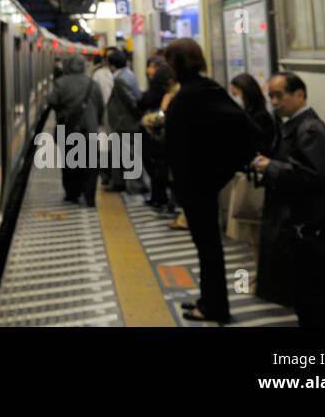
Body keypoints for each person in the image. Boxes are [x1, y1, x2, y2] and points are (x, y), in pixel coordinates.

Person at [163, 38, 257, 324]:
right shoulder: (208, 89)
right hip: (203, 182)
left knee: (208, 247)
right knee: (207, 246)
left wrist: (217, 171)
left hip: (196, 185)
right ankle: (209, 299)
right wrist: (221, 170)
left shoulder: (189, 96)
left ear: (176, 64)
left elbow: (245, 131)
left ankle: (216, 308)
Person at [251, 72, 325, 327]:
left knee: (313, 302)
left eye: (279, 95)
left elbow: (314, 176)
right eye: (270, 96)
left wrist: (270, 166)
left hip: (309, 227)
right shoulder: (294, 127)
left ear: (299, 95)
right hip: (298, 223)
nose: (274, 101)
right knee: (305, 300)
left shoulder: (309, 128)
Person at [223, 74, 275, 255]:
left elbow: (260, 146)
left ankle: (260, 275)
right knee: (253, 237)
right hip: (248, 175)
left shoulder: (260, 117)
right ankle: (258, 272)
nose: (236, 99)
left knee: (257, 233)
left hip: (257, 178)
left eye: (237, 94)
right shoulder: (251, 114)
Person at [45, 54, 105, 207]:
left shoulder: (61, 83)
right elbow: (100, 106)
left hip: (68, 129)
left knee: (70, 163)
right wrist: (95, 122)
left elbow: (51, 101)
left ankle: (72, 194)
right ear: (84, 67)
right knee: (90, 164)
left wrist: (62, 110)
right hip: (89, 130)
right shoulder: (93, 84)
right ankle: (90, 196)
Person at [101, 49, 142, 191]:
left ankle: (134, 185)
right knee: (123, 155)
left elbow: (131, 102)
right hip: (125, 122)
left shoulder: (120, 79)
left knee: (128, 155)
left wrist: (136, 117)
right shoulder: (128, 74)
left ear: (112, 66)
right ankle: (120, 184)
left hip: (124, 123)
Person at [139, 56, 176, 213]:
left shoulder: (167, 93)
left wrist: (148, 120)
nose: (149, 70)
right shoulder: (169, 90)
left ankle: (162, 198)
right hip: (162, 136)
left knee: (158, 167)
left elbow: (158, 113)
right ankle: (164, 199)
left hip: (161, 136)